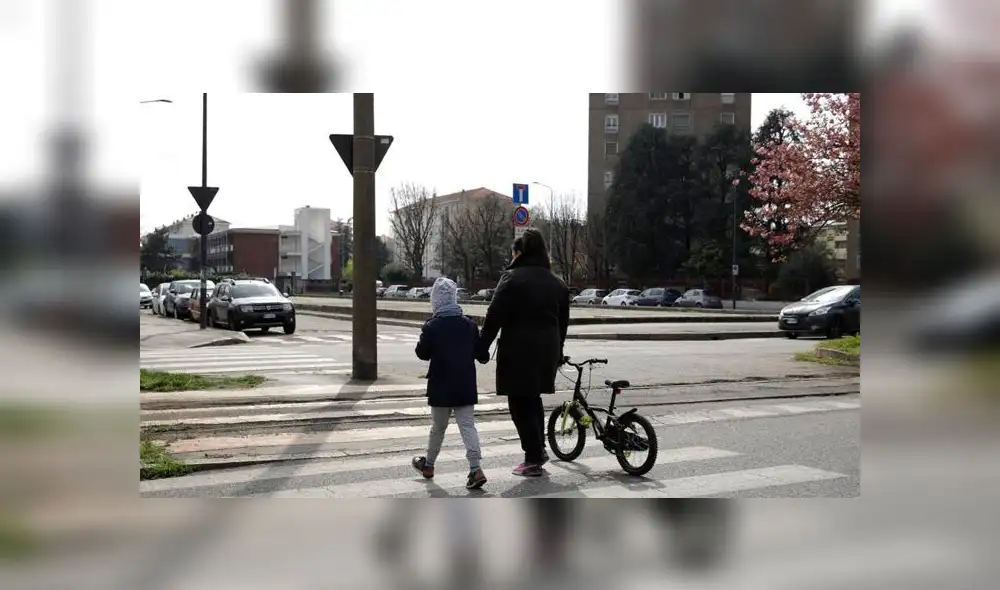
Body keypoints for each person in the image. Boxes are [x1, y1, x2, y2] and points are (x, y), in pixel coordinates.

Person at [476, 228, 570, 477]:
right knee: (533, 399)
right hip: (548, 350)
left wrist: (481, 348)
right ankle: (538, 449)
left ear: (519, 253)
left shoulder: (512, 278)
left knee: (519, 402)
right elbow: (563, 323)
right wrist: (558, 352)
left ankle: (533, 457)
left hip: (519, 350)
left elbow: (493, 317)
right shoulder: (557, 283)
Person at [411, 277, 489, 490]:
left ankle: (428, 465)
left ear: (435, 300)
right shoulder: (469, 325)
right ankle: (475, 469)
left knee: (438, 428)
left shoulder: (433, 326)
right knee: (467, 426)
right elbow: (481, 353)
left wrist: (426, 330)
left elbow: (422, 354)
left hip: (441, 387)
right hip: (464, 384)